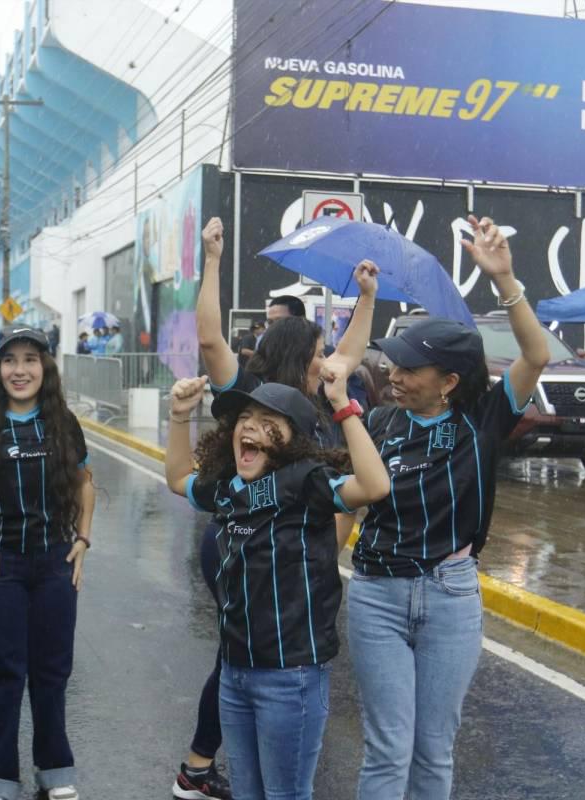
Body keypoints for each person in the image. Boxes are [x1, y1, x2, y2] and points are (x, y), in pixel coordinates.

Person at [166, 218, 378, 800]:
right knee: (242, 646)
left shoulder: (316, 401)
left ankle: (222, 752)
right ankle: (198, 762)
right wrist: (213, 259)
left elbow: (351, 356)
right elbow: (210, 339)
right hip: (243, 540)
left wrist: (367, 298)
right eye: (318, 352)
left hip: (302, 551)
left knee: (274, 648)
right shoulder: (250, 388)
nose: (327, 359)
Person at [349, 215, 548, 800]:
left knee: (434, 750)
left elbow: (536, 355)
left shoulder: (482, 420)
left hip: (451, 594)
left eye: (410, 368)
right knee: (388, 748)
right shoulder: (379, 422)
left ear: (450, 381)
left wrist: (504, 278)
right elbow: (346, 498)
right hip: (377, 594)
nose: (394, 375)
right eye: (393, 364)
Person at [0, 326, 95, 800]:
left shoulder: (63, 423)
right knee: (0, 672)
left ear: (45, 367)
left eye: (30, 359)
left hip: (53, 562)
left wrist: (83, 539)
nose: (20, 370)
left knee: (52, 671)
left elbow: (84, 481)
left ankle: (56, 771)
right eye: (10, 360)